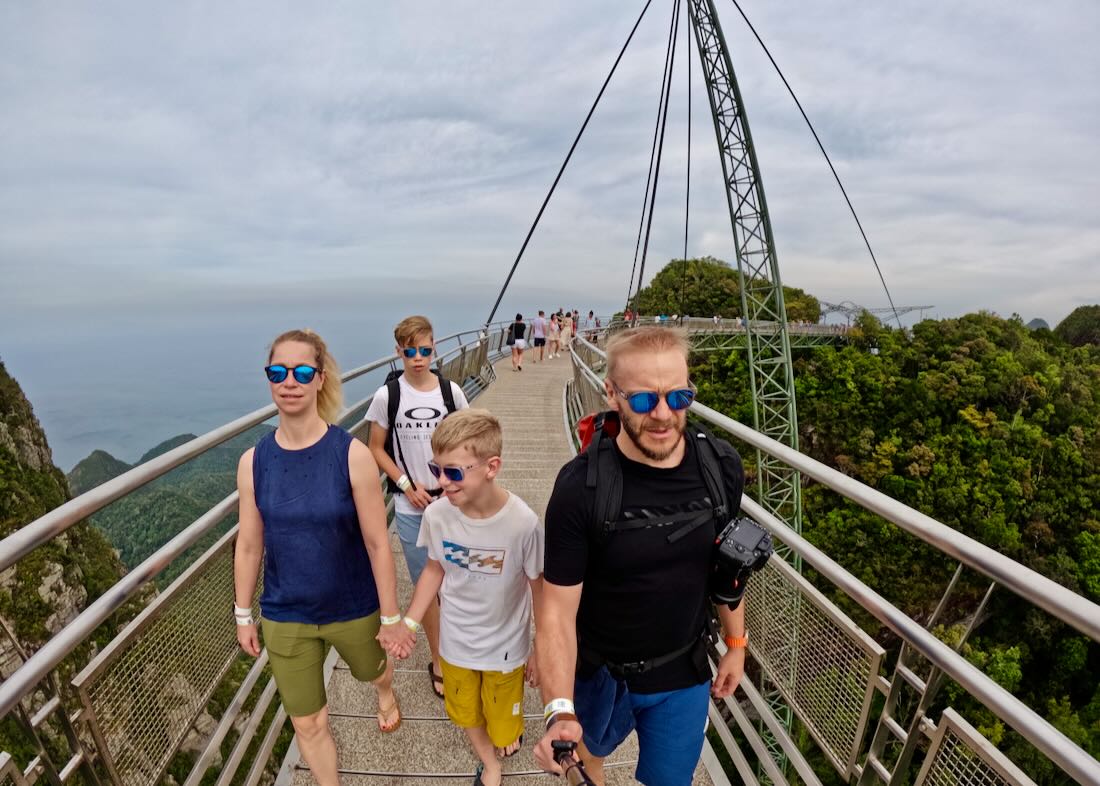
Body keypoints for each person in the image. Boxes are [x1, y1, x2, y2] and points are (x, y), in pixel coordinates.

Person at [534, 326, 747, 786]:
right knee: (589, 758)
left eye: (678, 397)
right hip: (600, 673)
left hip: (682, 670)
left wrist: (735, 645)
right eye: (645, 401)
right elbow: (555, 613)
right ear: (612, 393)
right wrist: (558, 710)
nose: (664, 416)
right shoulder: (580, 489)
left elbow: (727, 566)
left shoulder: (721, 467)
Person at [234, 329, 414, 786]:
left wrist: (391, 616)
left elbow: (377, 543)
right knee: (308, 723)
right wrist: (242, 613)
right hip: (285, 612)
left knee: (374, 671)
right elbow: (250, 544)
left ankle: (385, 692)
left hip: (352, 605)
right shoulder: (253, 461)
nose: (288, 381)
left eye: (301, 372)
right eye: (278, 372)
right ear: (268, 380)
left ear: (320, 379)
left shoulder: (351, 455)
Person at [397, 410, 544, 786]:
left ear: (491, 466)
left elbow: (537, 586)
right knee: (464, 712)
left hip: (505, 647)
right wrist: (409, 622)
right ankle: (489, 763)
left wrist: (540, 648)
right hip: (456, 641)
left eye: (454, 472)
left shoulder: (522, 523)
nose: (442, 482)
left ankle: (504, 734)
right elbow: (434, 568)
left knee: (503, 724)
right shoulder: (438, 515)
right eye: (437, 470)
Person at [365, 315, 470, 700]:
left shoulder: (451, 393)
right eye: (410, 351)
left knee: (459, 578)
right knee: (426, 585)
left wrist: (455, 484)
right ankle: (441, 660)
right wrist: (407, 485)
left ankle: (464, 651)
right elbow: (376, 446)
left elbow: (467, 440)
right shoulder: (387, 397)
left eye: (425, 350)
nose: (418, 358)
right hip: (411, 507)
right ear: (399, 352)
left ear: (434, 347)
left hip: (453, 502)